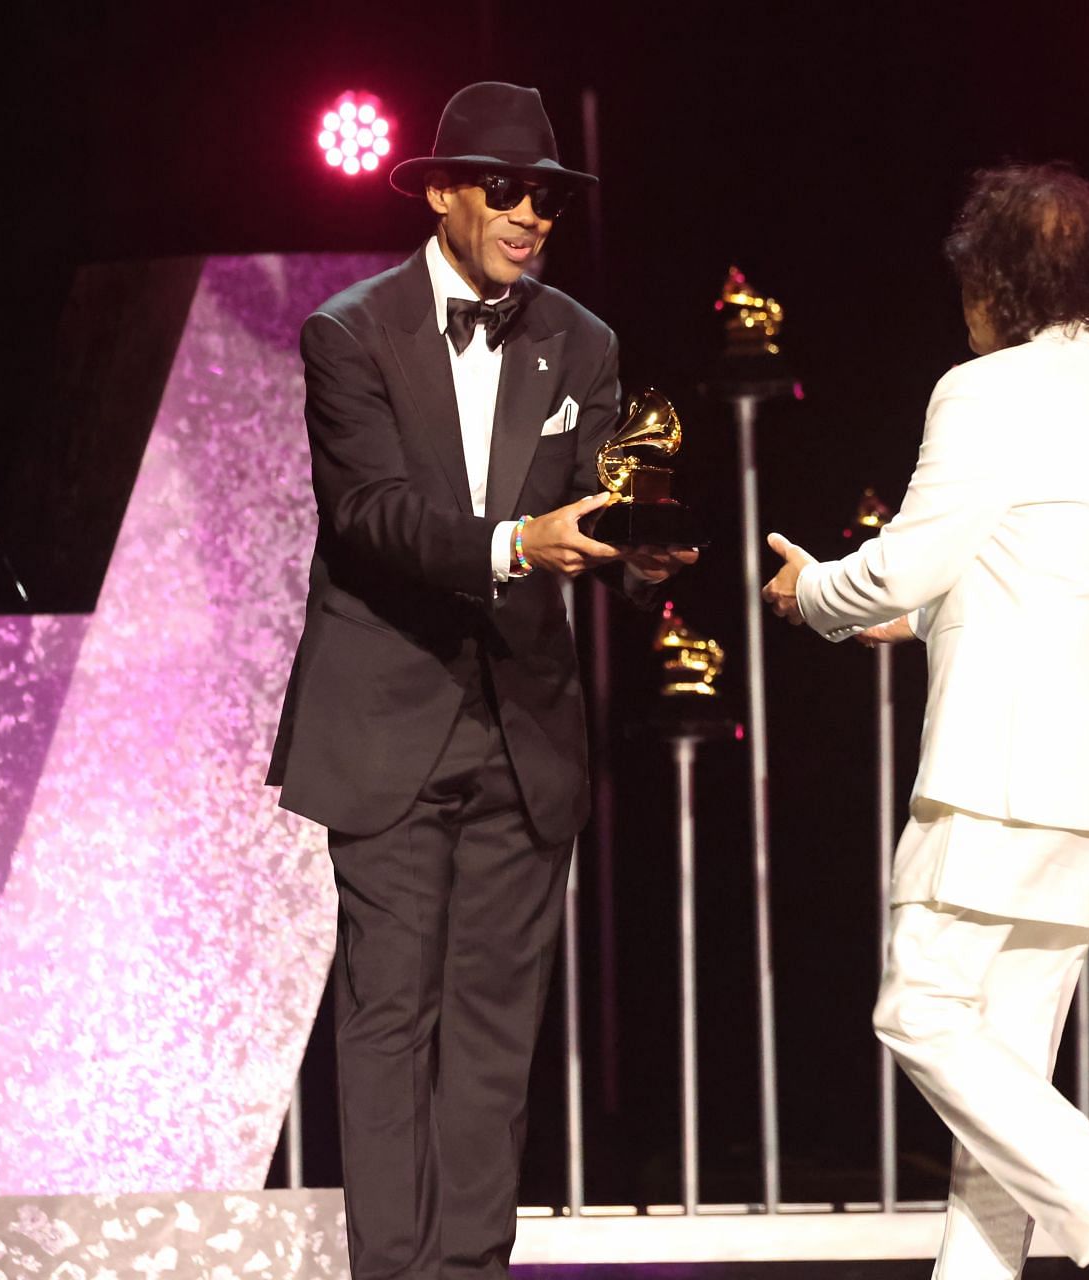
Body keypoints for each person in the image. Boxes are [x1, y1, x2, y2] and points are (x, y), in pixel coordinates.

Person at [265, 82, 692, 1279]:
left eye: (547, 196)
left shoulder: (584, 342)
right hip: (388, 720)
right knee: (391, 1020)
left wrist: (639, 557)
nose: (530, 214)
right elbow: (370, 518)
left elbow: (595, 517)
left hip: (525, 727)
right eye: (505, 189)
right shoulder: (348, 332)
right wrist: (519, 542)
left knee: (498, 1036)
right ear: (445, 190)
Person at [761, 162, 1089, 1280]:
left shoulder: (986, 389)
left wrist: (815, 592)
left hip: (1001, 773)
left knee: (920, 1008)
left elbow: (907, 558)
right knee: (1000, 1099)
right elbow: (1053, 573)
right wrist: (913, 617)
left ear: (995, 284)